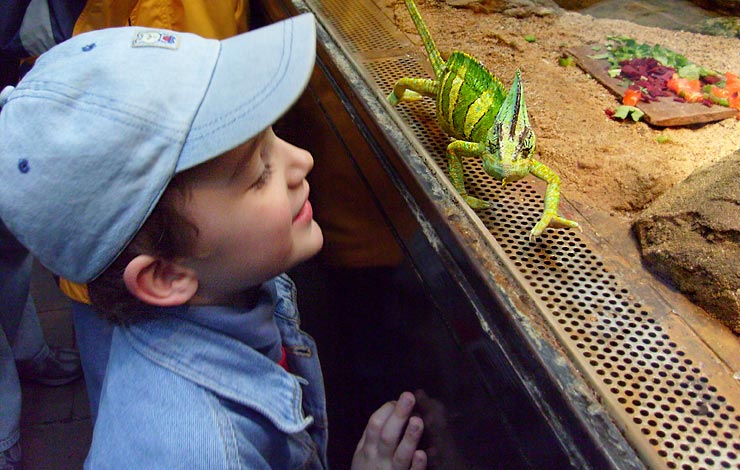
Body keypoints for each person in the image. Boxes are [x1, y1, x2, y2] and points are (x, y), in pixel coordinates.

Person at [0, 15, 427, 468]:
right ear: (165, 275)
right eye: (259, 172)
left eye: (273, 136)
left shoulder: (227, 287)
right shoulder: (197, 452)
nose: (301, 160)